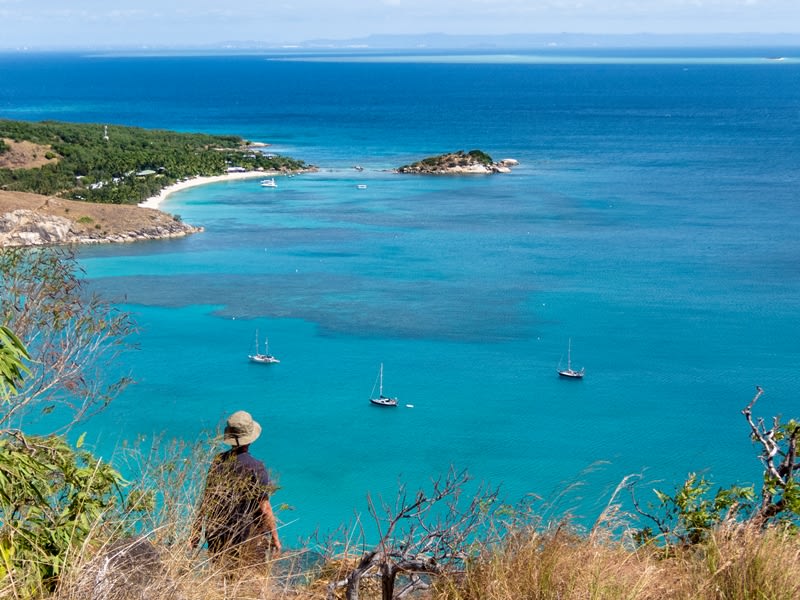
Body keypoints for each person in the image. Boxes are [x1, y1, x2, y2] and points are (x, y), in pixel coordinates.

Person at [190, 410, 281, 565]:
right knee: (249, 583)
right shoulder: (256, 467)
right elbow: (265, 508)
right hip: (248, 538)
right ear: (250, 439)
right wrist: (275, 539)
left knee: (222, 581)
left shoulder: (218, 461)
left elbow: (207, 501)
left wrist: (196, 533)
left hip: (217, 536)